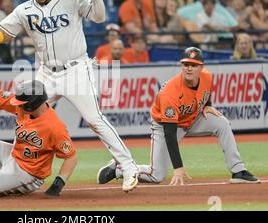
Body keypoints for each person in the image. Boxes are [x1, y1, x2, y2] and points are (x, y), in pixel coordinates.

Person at [0, 0, 140, 192]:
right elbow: (6, 33)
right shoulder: (25, 9)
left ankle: (128, 166)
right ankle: (14, 170)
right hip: (46, 72)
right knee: (25, 116)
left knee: (94, 119)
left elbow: (99, 16)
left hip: (76, 69)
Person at [97, 47, 259, 186]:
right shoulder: (171, 93)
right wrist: (178, 168)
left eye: (194, 65)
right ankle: (120, 169)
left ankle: (238, 171)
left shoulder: (207, 77)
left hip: (193, 119)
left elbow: (205, 91)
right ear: (181, 65)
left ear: (201, 68)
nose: (189, 68)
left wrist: (208, 104)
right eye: (186, 64)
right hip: (164, 126)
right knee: (156, 175)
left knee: (222, 123)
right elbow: (170, 134)